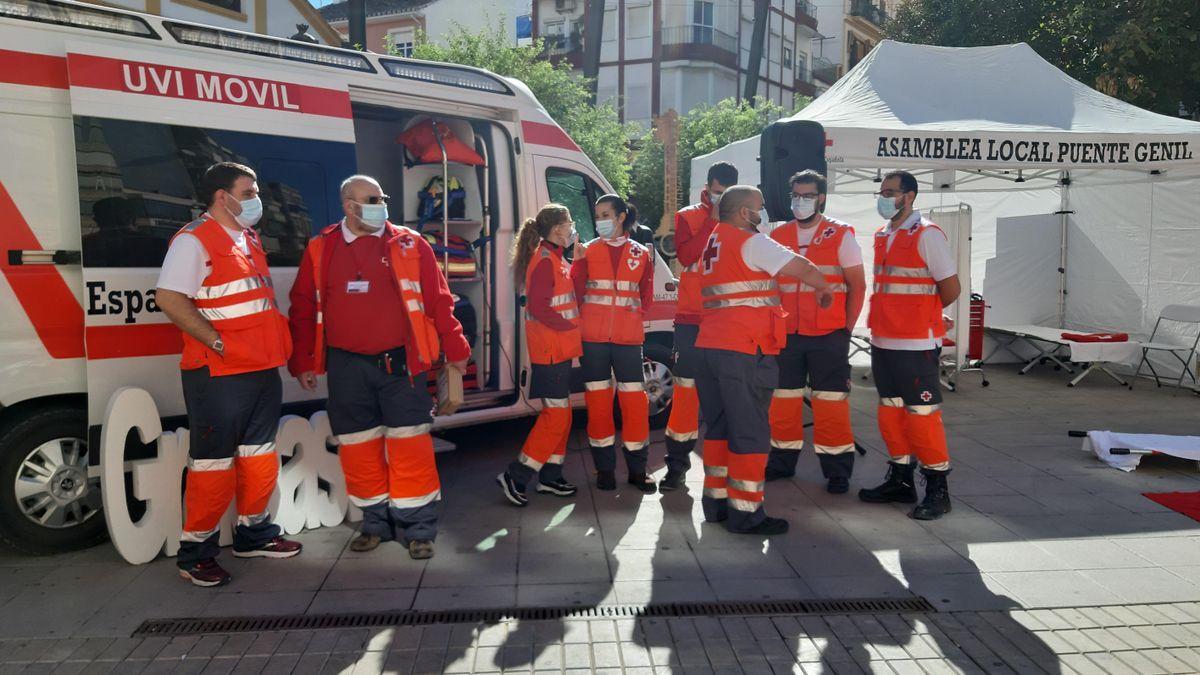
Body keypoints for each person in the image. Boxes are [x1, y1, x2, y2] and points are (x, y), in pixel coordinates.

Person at [287, 175, 471, 559]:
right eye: (372, 199)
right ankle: (375, 524)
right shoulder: (322, 247)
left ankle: (419, 529)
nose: (381, 203)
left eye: (382, 197)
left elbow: (439, 300)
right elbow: (303, 306)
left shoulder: (409, 243)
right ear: (349, 207)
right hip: (346, 367)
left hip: (401, 364)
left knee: (411, 446)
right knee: (357, 447)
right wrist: (303, 359)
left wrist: (455, 346)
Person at [155, 162, 301, 587]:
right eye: (249, 191)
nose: (257, 199)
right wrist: (217, 342)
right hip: (217, 374)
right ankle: (195, 554)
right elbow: (168, 297)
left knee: (258, 457)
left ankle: (253, 534)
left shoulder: (246, 236)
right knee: (212, 465)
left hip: (258, 369)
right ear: (223, 196)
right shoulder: (193, 240)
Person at [694, 185, 833, 535]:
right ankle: (746, 514)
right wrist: (825, 287)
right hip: (745, 348)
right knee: (751, 433)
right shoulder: (750, 241)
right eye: (760, 207)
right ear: (744, 213)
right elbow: (801, 267)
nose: (763, 213)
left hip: (711, 347)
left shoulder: (713, 241)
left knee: (719, 430)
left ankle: (716, 504)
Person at [858, 170, 961, 520]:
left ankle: (937, 489)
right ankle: (901, 480)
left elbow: (950, 288)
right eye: (882, 191)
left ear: (910, 196)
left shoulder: (928, 234)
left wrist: (926, 314)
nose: (884, 197)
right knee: (891, 411)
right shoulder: (883, 233)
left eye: (891, 191)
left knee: (922, 417)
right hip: (884, 338)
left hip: (916, 342)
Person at [765, 171, 867, 492]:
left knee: (831, 403)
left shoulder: (840, 235)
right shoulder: (778, 235)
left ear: (821, 198)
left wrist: (845, 331)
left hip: (828, 336)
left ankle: (837, 471)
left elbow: (857, 286)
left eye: (807, 196)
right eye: (795, 195)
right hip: (787, 335)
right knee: (783, 402)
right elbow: (770, 286)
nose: (799, 201)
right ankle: (782, 462)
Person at [497, 204, 583, 506]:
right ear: (558, 228)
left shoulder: (555, 257)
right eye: (570, 223)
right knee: (556, 417)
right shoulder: (546, 260)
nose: (572, 228)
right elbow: (539, 307)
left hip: (557, 350)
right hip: (550, 351)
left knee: (562, 414)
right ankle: (517, 475)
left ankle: (550, 477)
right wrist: (572, 324)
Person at [662, 161, 738, 491]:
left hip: (727, 321)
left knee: (724, 395)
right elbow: (687, 254)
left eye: (727, 195)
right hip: (692, 321)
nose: (720, 199)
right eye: (717, 192)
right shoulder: (689, 216)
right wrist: (713, 220)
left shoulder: (743, 220)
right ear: (707, 188)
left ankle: (723, 469)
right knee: (685, 395)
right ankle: (676, 467)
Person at [571, 195, 656, 492]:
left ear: (621, 217)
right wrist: (578, 262)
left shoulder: (641, 253)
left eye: (605, 214)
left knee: (634, 403)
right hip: (592, 338)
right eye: (597, 216)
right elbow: (575, 289)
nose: (600, 221)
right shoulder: (587, 251)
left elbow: (645, 296)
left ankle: (638, 470)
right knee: (597, 403)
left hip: (628, 338)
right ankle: (604, 469)